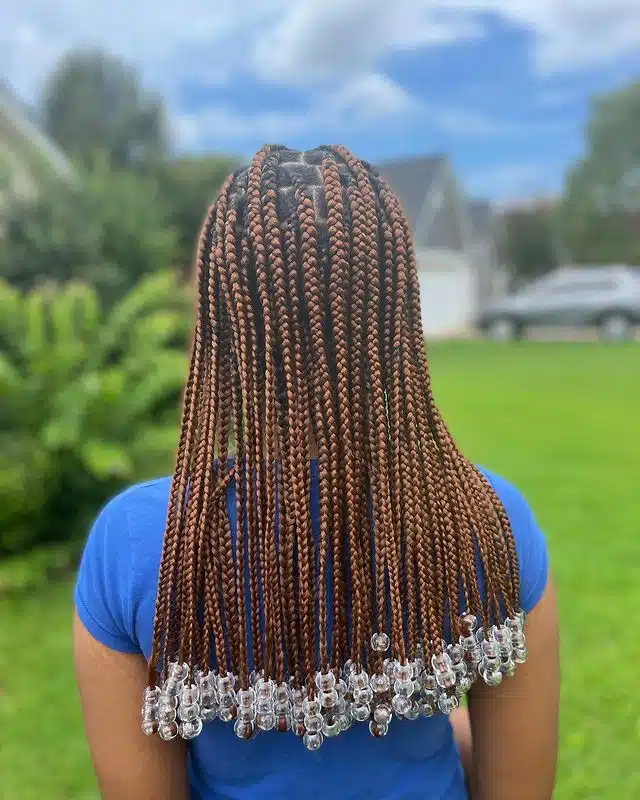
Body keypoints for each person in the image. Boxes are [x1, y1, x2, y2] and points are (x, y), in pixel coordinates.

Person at [73, 145, 559, 799]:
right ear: (395, 314)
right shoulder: (485, 519)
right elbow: (518, 788)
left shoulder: (137, 542)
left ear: (219, 320)